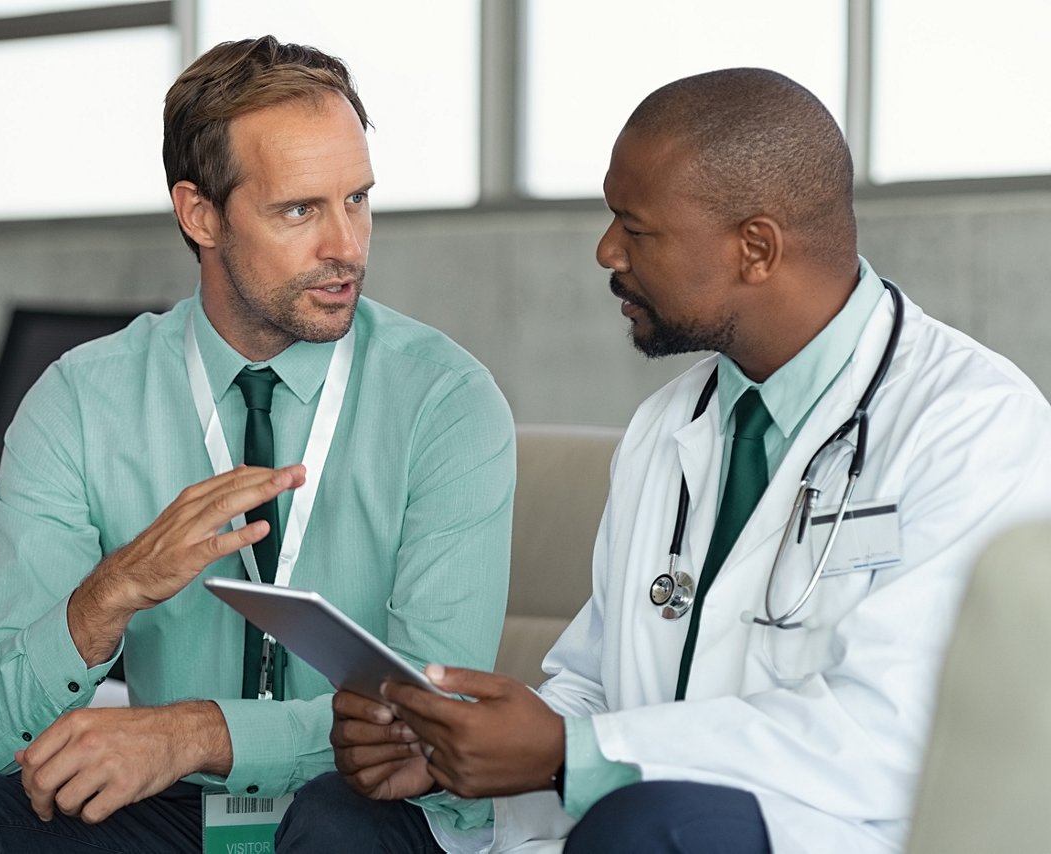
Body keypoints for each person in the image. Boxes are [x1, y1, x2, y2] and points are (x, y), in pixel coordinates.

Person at [284, 68, 1051, 854]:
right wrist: (460, 746)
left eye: (636, 229)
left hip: (828, 832)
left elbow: (894, 737)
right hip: (627, 820)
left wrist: (571, 755)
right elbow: (597, 685)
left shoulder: (972, 427)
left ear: (756, 248)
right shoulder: (668, 425)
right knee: (341, 817)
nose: (606, 250)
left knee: (650, 830)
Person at [0, 35, 515, 851]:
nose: (346, 245)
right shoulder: (82, 401)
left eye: (357, 199)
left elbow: (430, 722)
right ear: (200, 214)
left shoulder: (445, 401)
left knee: (336, 825)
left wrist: (197, 733)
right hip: (183, 812)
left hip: (367, 806)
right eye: (300, 210)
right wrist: (111, 593)